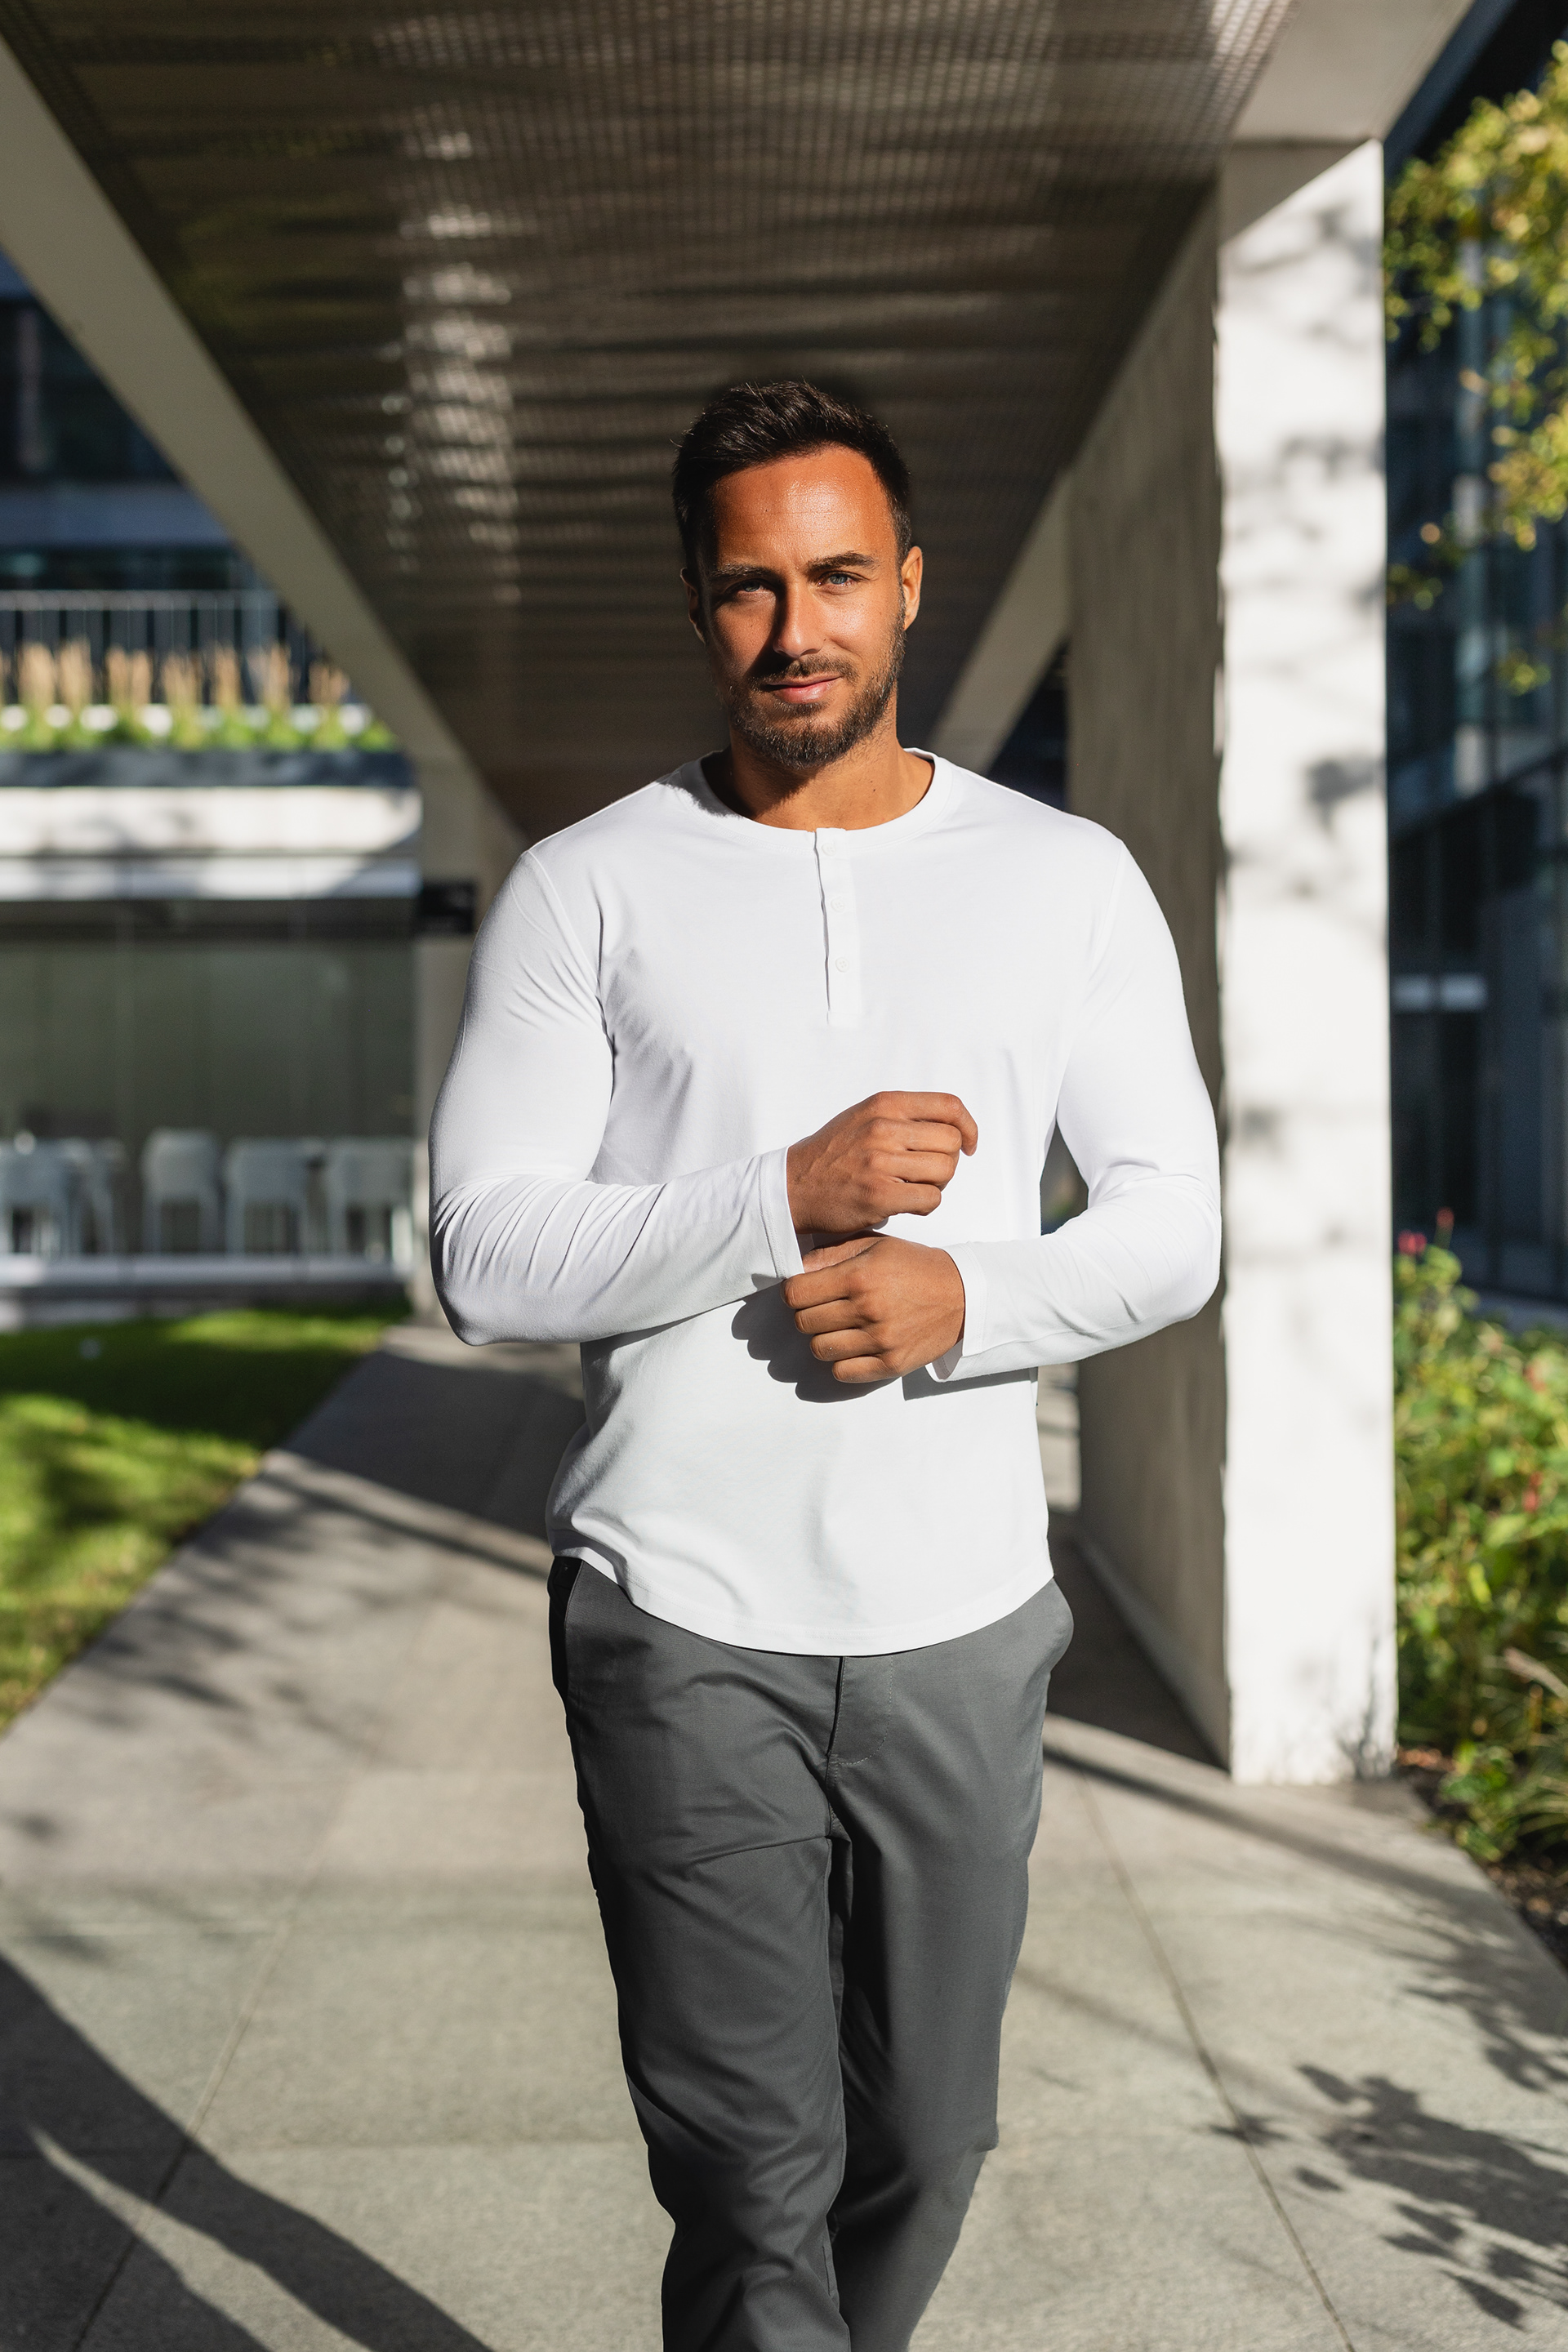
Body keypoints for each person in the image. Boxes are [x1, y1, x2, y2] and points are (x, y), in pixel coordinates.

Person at [430, 379, 1220, 2351]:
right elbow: (482, 1255)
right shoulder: (587, 887)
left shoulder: (1067, 878)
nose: (798, 630)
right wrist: (775, 1196)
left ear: (912, 585)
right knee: (747, 2173)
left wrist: (971, 1303)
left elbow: (1174, 1227)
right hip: (680, 1614)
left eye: (839, 577)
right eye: (751, 588)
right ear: (699, 606)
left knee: (929, 2144)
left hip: (965, 1620)